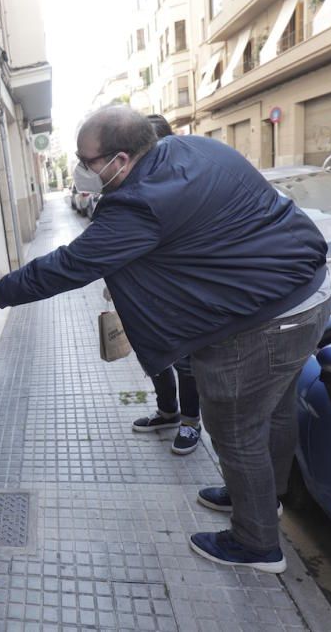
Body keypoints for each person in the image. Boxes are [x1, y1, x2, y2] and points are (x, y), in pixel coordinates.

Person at [0, 106, 331, 574]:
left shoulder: (138, 201)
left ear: (121, 159)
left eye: (86, 160)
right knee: (275, 412)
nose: (81, 170)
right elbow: (200, 239)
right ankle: (262, 498)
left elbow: (64, 267)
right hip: (309, 295)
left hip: (262, 323)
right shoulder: (193, 148)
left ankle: (257, 542)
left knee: (235, 429)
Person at [130, 114, 202, 455]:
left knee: (186, 362)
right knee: (156, 355)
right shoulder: (134, 186)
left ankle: (190, 421)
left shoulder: (183, 183)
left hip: (181, 294)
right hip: (147, 296)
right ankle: (168, 411)